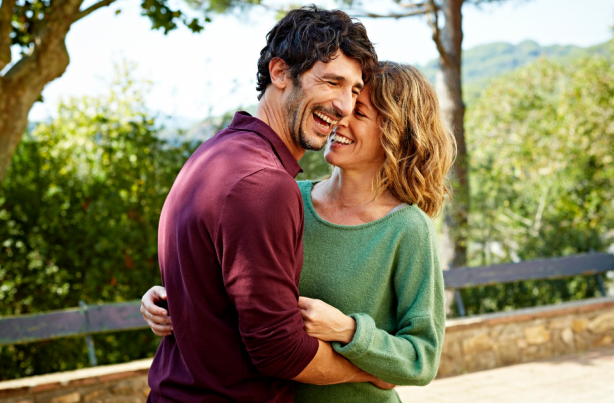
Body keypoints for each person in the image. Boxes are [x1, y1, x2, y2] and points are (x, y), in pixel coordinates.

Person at [143, 61, 455, 402]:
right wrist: (178, 298)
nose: (340, 117)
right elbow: (247, 296)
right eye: (345, 105)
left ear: (394, 133)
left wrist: (348, 330)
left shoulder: (407, 228)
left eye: (359, 113)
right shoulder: (286, 198)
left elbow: (422, 357)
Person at [142, 5, 384, 403]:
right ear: (280, 72)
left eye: (354, 91)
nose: (344, 106)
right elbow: (278, 349)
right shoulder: (263, 184)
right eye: (331, 82)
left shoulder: (212, 154)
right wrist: (370, 370)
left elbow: (206, 289)